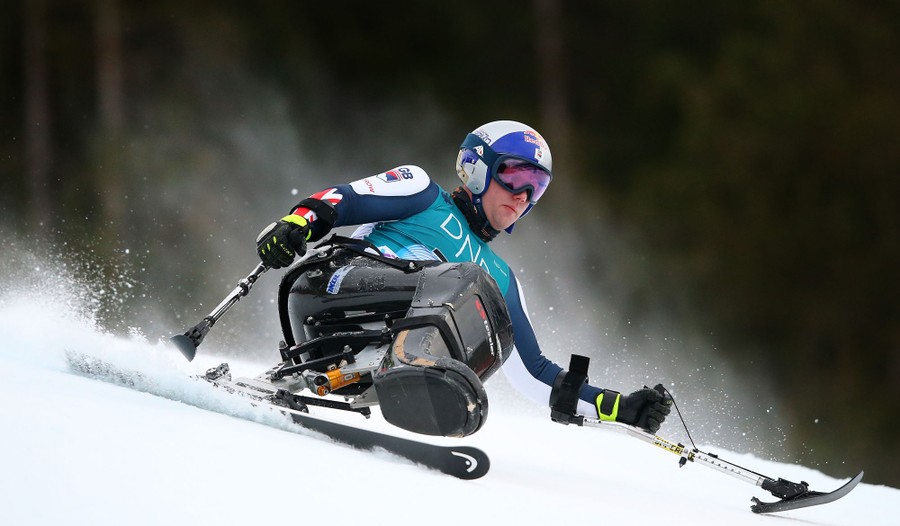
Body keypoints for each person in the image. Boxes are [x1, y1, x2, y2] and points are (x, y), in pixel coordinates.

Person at [255, 120, 671, 433]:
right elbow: (342, 200)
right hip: (331, 289)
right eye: (514, 177)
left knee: (487, 302)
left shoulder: (503, 279)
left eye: (536, 188)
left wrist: (619, 408)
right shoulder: (422, 193)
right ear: (476, 169)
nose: (522, 197)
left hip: (370, 343)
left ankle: (408, 372)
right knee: (469, 280)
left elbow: (535, 374)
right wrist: (298, 221)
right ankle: (413, 364)